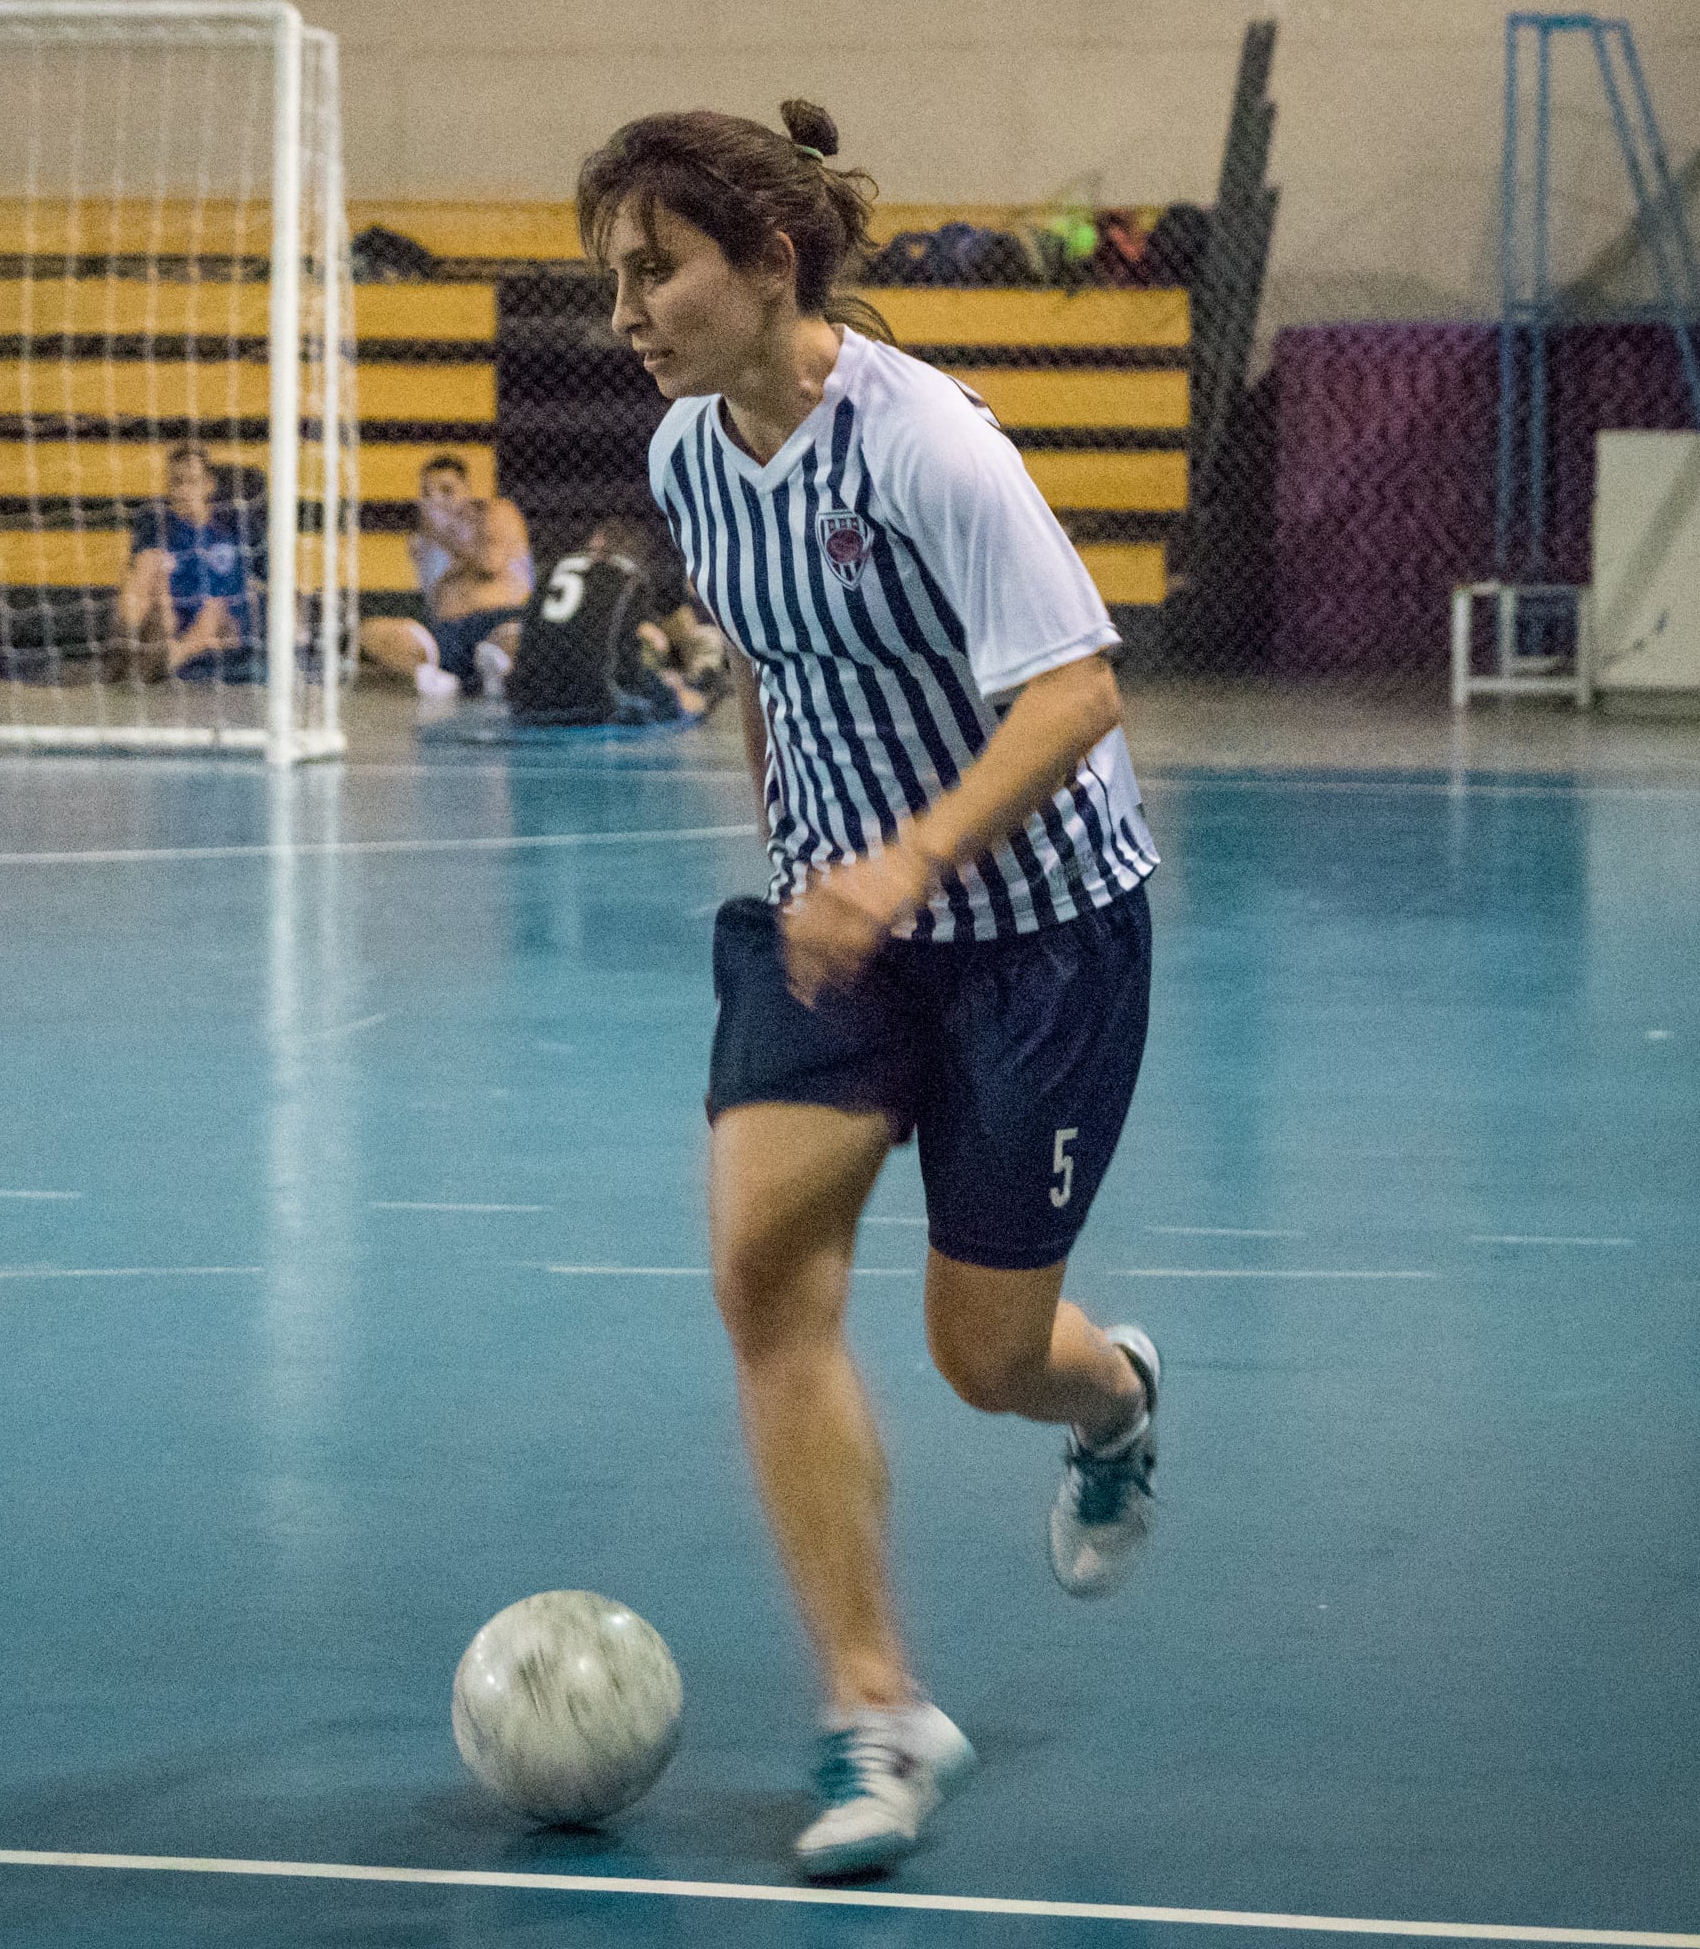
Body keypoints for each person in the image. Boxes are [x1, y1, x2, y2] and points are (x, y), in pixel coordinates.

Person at [582, 99, 1167, 1880]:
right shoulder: (692, 453)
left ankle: (1117, 1403)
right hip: (835, 931)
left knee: (985, 1357)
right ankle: (877, 1711)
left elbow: (1075, 695)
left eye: (656, 268)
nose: (627, 309)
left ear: (769, 264)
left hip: (1041, 935)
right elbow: (775, 662)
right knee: (765, 1279)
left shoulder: (931, 450)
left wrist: (908, 862)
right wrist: (814, 862)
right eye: (608, 277)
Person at [358, 452, 533, 699]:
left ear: (466, 490)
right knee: (371, 633)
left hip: (497, 621)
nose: (438, 500)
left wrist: (441, 534)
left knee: (515, 636)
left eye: (447, 490)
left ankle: (497, 673)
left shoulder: (496, 513)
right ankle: (439, 680)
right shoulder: (421, 538)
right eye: (428, 493)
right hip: (448, 633)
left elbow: (489, 564)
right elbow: (436, 595)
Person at [505, 519, 711, 727]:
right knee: (688, 702)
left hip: (525, 701)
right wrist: (671, 697)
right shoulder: (630, 577)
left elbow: (529, 629)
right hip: (592, 705)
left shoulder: (552, 568)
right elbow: (624, 663)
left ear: (598, 542)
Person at [113, 444, 263, 682]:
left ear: (208, 485)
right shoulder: (159, 529)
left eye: (191, 482)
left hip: (219, 625)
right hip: (173, 623)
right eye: (176, 482)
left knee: (214, 611)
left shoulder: (226, 535)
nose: (183, 491)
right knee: (146, 566)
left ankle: (164, 664)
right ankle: (125, 652)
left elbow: (227, 603)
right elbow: (146, 579)